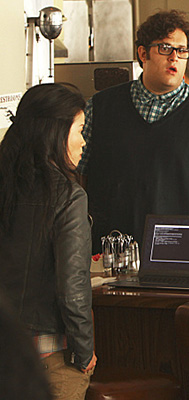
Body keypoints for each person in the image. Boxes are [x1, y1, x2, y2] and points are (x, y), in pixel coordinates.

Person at [77, 9, 189, 252]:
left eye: (182, 50)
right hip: (108, 249)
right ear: (143, 53)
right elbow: (77, 174)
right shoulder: (100, 107)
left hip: (180, 251)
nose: (175, 58)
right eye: (165, 48)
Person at [0, 83, 97, 400]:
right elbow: (72, 287)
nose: (83, 142)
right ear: (55, 132)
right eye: (79, 130)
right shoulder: (67, 196)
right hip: (48, 355)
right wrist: (84, 352)